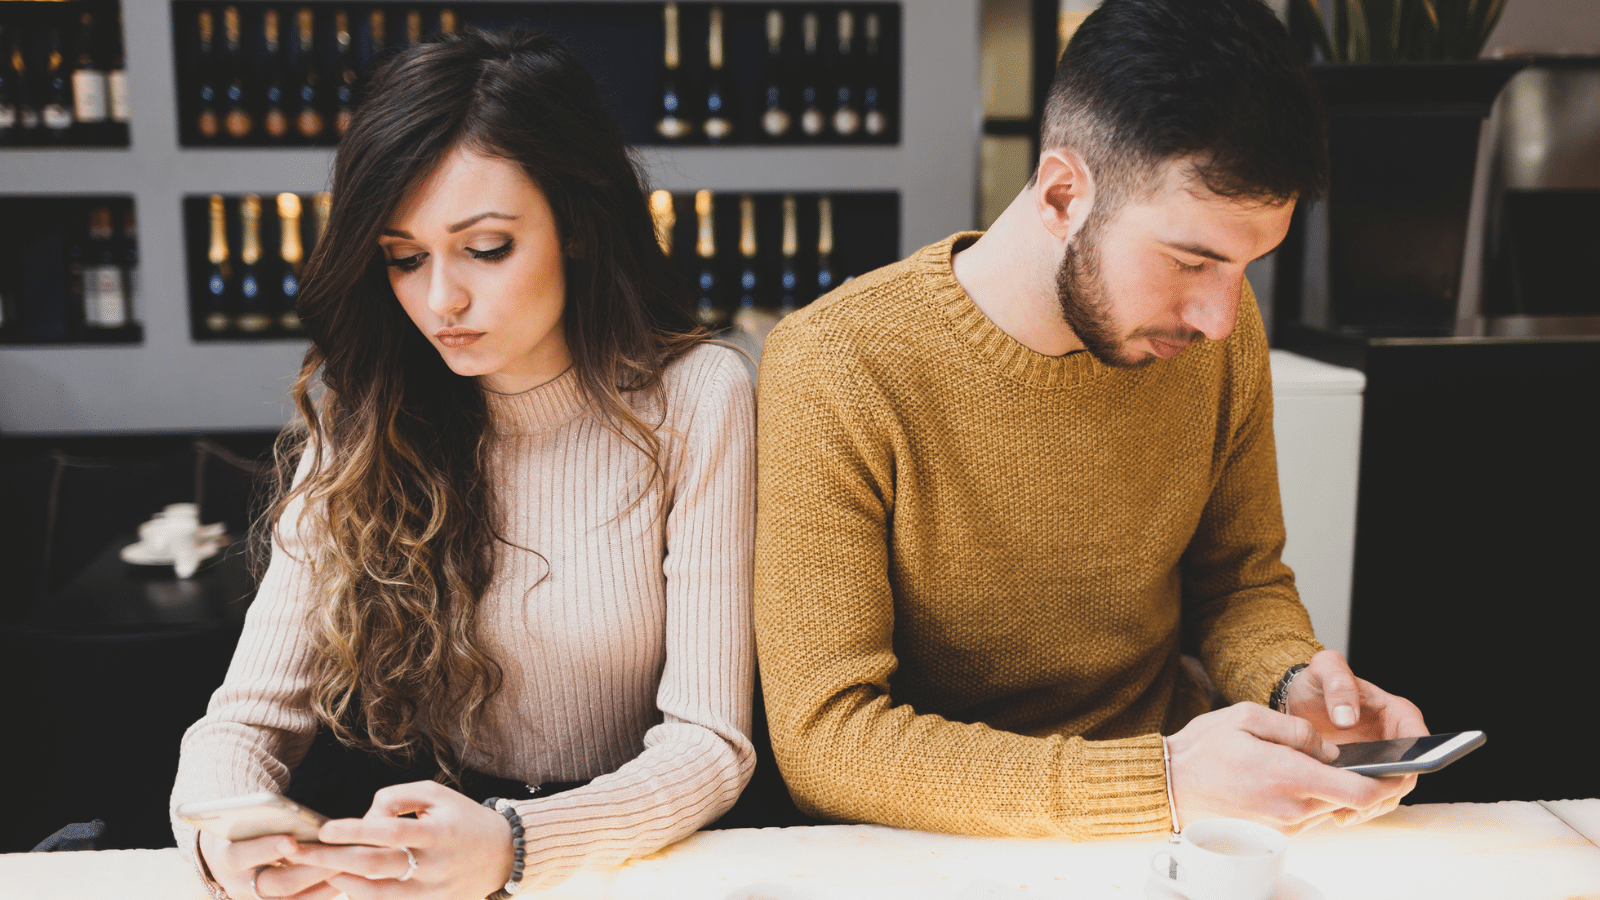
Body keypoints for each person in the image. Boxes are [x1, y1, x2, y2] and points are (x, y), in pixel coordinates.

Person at [754, 0, 1426, 841]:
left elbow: (1238, 583)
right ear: (1064, 193)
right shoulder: (836, 365)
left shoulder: (1220, 336)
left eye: (1248, 265)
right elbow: (828, 741)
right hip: (932, 848)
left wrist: (1294, 690)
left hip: (1178, 834)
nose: (1221, 316)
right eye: (1192, 260)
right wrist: (1162, 780)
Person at [171, 28, 755, 900]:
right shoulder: (369, 415)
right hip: (426, 858)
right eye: (405, 259)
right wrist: (229, 828)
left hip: (630, 860)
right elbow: (243, 724)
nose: (440, 300)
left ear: (580, 227)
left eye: (485, 249)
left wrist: (519, 845)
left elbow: (710, 741)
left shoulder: (697, 396)